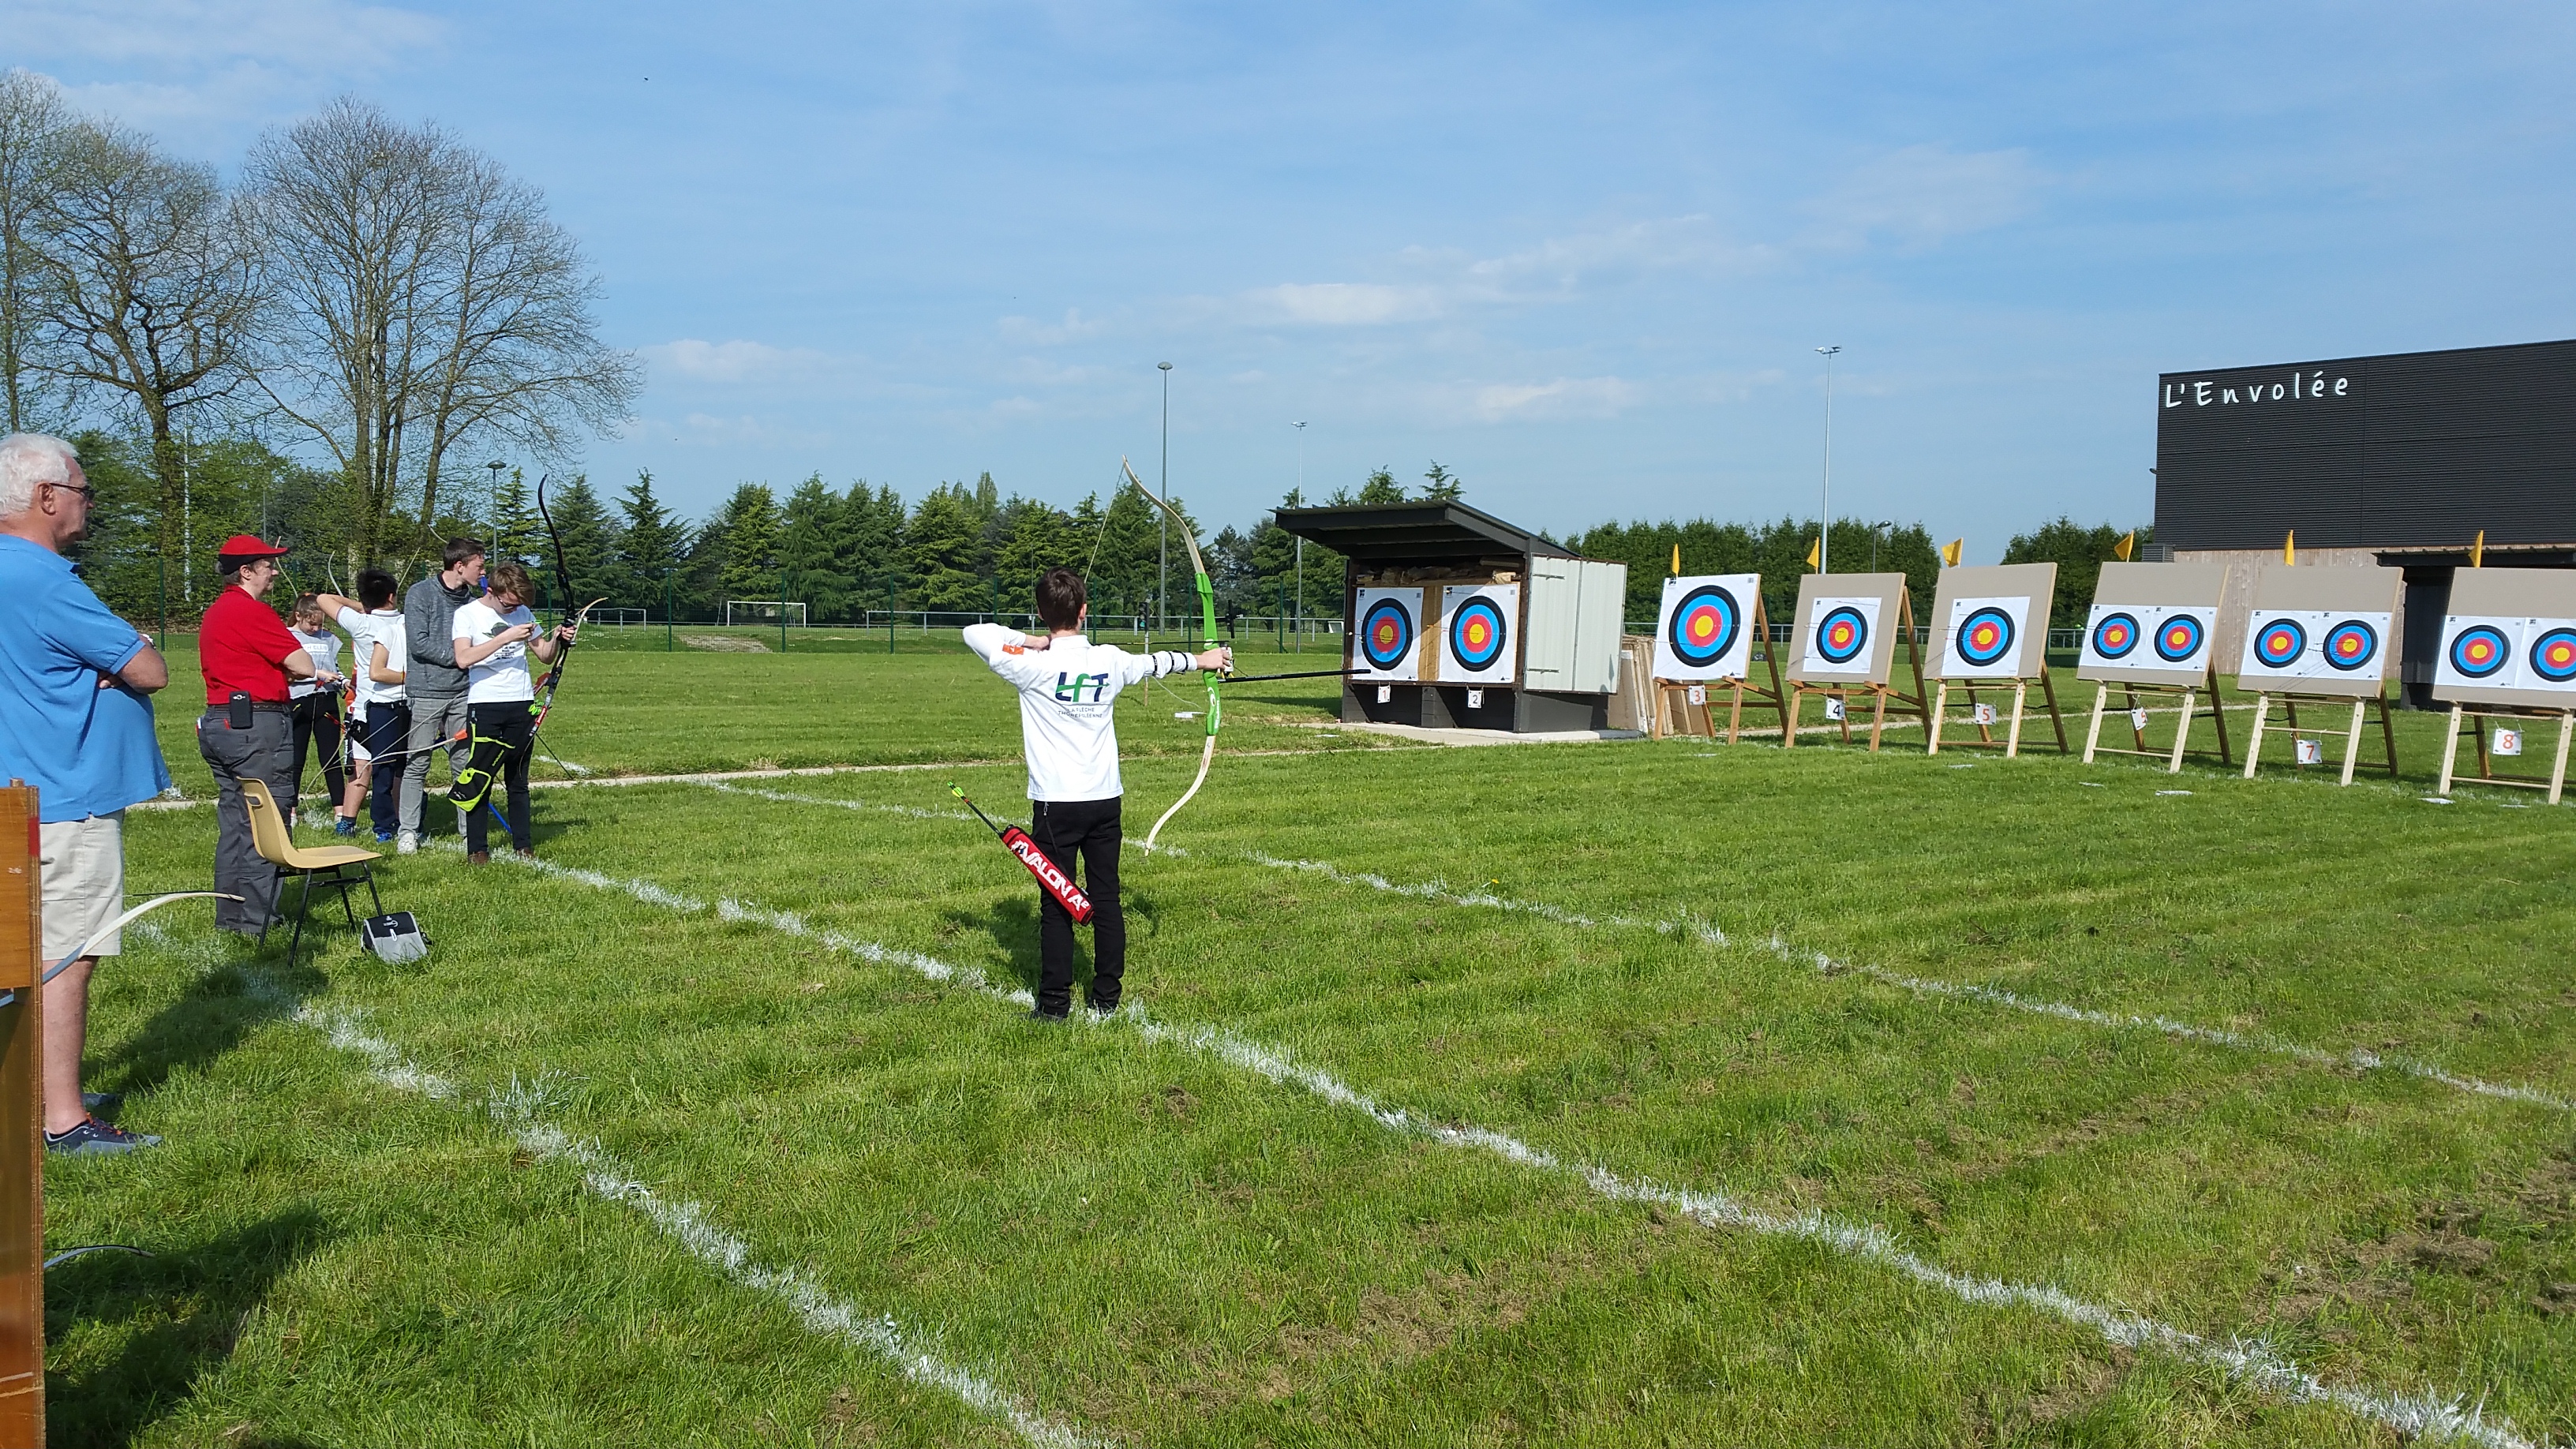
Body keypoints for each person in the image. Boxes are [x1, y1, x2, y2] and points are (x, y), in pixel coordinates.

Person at [0, 432, 176, 1155]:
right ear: (46, 497)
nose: (88, 504)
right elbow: (151, 670)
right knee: (67, 955)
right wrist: (120, 653)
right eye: (82, 491)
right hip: (65, 797)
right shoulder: (43, 577)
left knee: (23, 955)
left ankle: (38, 1088)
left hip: (23, 793)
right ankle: (64, 1120)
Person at [962, 567, 1227, 1019]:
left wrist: (1034, 641)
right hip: (1104, 800)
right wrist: (1205, 660)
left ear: (1041, 614)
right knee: (1106, 896)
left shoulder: (1029, 664)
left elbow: (974, 632)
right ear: (1084, 611)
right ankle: (1106, 999)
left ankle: (1054, 1005)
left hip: (1056, 804)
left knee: (1056, 902)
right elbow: (1159, 662)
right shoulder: (1110, 659)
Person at [196, 533, 320, 937]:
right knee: (265, 820)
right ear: (246, 572)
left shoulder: (217, 611)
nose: (275, 572)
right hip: (257, 726)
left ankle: (231, 916)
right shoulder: (253, 611)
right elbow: (303, 664)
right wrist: (283, 670)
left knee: (235, 822)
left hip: (221, 721)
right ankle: (257, 919)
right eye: (268, 565)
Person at [449, 560, 574, 863]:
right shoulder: (467, 614)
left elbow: (544, 655)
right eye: (508, 604)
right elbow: (463, 658)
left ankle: (523, 845)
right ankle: (477, 849)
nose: (513, 609)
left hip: (521, 703)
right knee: (480, 776)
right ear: (492, 591)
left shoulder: (523, 612)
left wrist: (558, 637)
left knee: (518, 780)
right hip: (485, 705)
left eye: (517, 605)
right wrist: (505, 637)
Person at [398, 539, 484, 855]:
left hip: (463, 692)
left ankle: (468, 832)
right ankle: (408, 832)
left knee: (463, 763)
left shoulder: (473, 602)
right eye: (479, 566)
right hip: (427, 693)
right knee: (417, 762)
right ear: (459, 566)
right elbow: (419, 644)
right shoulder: (420, 594)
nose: (483, 572)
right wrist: (461, 657)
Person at [335, 570, 407, 843]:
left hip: (367, 707)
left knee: (363, 766)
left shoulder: (361, 622)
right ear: (392, 596)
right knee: (395, 768)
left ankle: (348, 822)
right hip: (390, 704)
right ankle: (395, 822)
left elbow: (323, 599)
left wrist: (363, 606)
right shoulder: (404, 621)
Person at [285, 592, 355, 833]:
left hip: (326, 702)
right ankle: (291, 809)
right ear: (298, 616)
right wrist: (317, 676)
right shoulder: (288, 636)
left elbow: (333, 668)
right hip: (298, 702)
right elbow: (289, 672)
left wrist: (343, 681)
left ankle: (340, 809)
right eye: (311, 624)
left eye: (319, 624)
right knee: (296, 758)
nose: (315, 629)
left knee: (330, 757)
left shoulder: (328, 639)